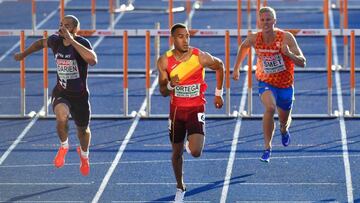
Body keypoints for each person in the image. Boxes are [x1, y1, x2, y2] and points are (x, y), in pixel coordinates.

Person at [14, 15, 97, 176]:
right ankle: (64, 146)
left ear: (73, 28)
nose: (61, 28)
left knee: (83, 131)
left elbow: (93, 60)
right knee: (61, 116)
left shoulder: (82, 43)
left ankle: (84, 156)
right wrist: (23, 54)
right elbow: (40, 43)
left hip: (80, 95)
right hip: (62, 92)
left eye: (66, 25)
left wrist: (72, 41)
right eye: (60, 24)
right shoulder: (55, 41)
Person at [157, 23, 224, 202]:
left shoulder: (199, 57)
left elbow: (220, 66)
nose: (185, 40)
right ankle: (180, 186)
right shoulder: (164, 61)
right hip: (177, 112)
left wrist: (218, 94)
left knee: (195, 151)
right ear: (173, 38)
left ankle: (190, 143)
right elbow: (162, 91)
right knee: (176, 153)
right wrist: (171, 84)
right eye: (181, 36)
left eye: (187, 36)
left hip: (196, 109)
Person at [232, 7, 306, 163]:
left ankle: (284, 130)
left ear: (274, 21)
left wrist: (289, 54)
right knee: (270, 108)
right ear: (259, 22)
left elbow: (303, 62)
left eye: (268, 20)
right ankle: (267, 147)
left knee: (284, 121)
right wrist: (237, 68)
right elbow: (244, 47)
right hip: (266, 82)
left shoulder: (286, 38)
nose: (265, 23)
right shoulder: (254, 38)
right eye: (263, 20)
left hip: (285, 84)